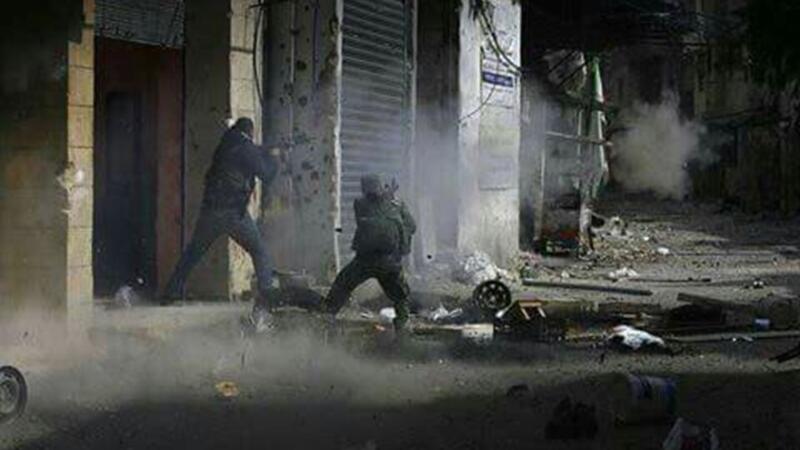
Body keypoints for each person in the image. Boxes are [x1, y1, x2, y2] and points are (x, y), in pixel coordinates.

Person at [162, 117, 279, 329]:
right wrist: (275, 156)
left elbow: (243, 157)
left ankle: (171, 292)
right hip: (233, 213)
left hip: (210, 211)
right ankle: (267, 302)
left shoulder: (226, 143)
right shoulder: (247, 149)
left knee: (194, 251)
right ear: (251, 132)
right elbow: (267, 174)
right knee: (259, 251)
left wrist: (261, 151)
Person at [321, 173, 416, 336]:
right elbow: (412, 226)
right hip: (390, 263)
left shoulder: (360, 204)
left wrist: (387, 196)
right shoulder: (396, 204)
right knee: (400, 296)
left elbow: (373, 207)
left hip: (364, 261)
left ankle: (325, 319)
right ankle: (403, 329)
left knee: (342, 285)